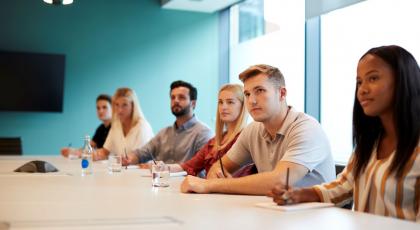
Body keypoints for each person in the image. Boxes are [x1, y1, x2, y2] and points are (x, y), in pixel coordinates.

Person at [269, 45, 420, 222]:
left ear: (403, 80)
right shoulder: (370, 143)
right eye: (359, 82)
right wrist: (298, 194)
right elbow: (345, 185)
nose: (362, 90)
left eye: (373, 78)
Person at [180, 64, 335, 195]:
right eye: (247, 94)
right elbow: (218, 167)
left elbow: (280, 181)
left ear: (281, 93)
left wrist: (211, 185)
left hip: (316, 219)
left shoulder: (306, 128)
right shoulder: (253, 130)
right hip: (276, 214)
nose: (252, 101)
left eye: (260, 91)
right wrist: (217, 177)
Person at [167, 83, 248, 176]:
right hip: (210, 189)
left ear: (243, 106)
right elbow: (188, 166)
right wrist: (163, 167)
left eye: (230, 102)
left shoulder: (245, 138)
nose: (223, 107)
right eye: (220, 102)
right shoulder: (214, 141)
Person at [124, 80, 213, 165]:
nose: (176, 101)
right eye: (173, 97)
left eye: (181, 97)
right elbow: (142, 153)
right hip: (159, 180)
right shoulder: (164, 133)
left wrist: (165, 169)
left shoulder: (204, 133)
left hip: (186, 180)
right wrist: (128, 159)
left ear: (193, 104)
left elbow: (200, 167)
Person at [95, 87, 154, 159]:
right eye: (117, 105)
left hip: (141, 169)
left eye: (124, 105)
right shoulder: (116, 124)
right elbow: (105, 151)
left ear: (133, 106)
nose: (120, 110)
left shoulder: (142, 126)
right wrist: (95, 154)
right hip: (123, 168)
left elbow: (139, 158)